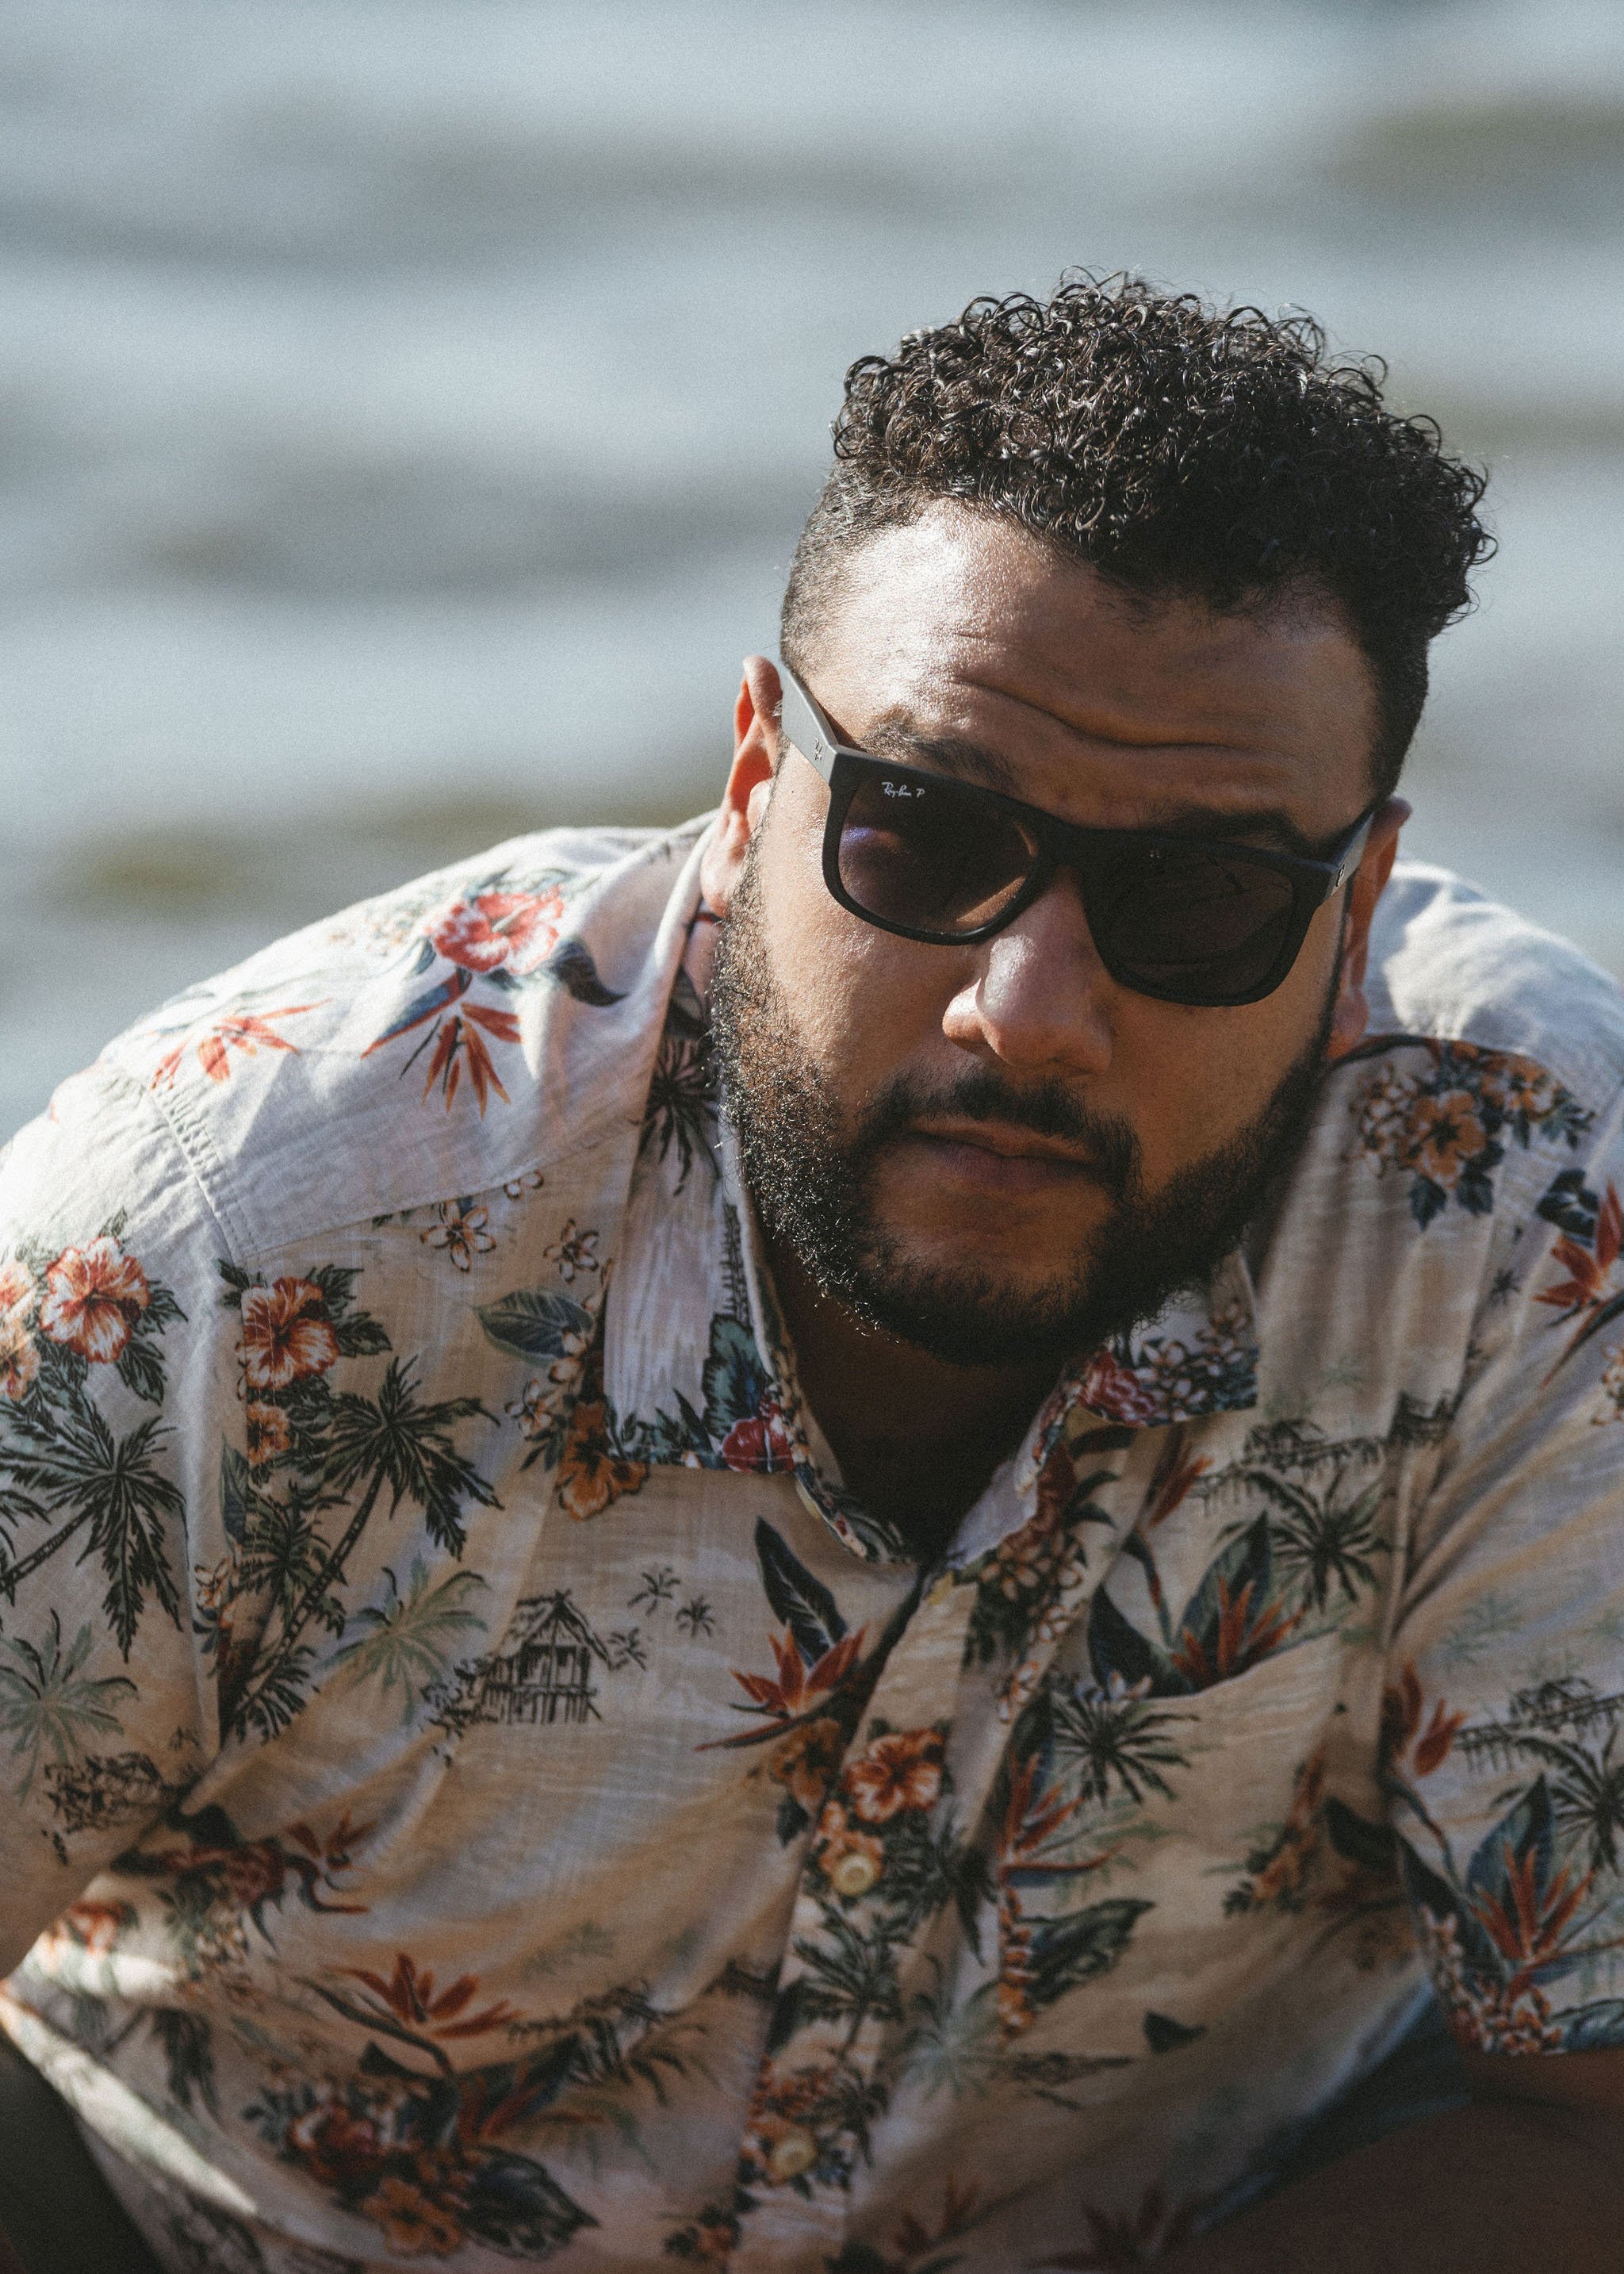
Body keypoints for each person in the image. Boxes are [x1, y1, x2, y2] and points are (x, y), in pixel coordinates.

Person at [1, 276, 1622, 2274]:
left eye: (1198, 898)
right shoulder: (246, 1234)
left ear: (1358, 898)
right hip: (206, 2214)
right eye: (928, 837)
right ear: (760, 770)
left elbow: (1589, 2124)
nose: (1028, 1013)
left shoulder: (1534, 1225)